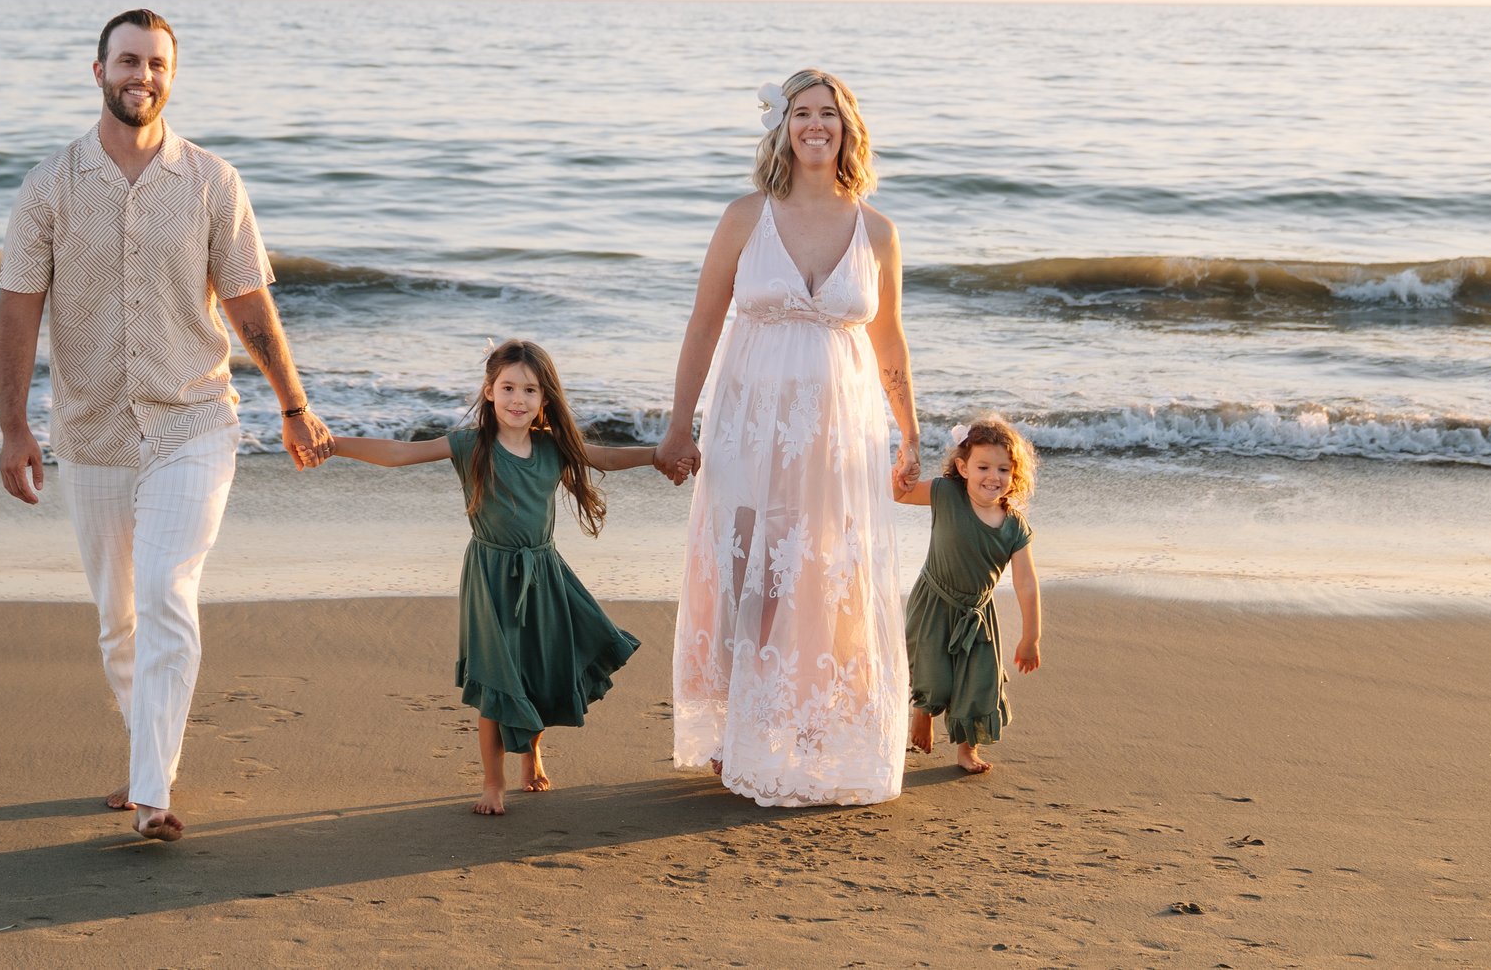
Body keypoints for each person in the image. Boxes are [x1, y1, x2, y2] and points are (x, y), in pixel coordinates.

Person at [0, 7, 333, 843]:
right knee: (119, 616)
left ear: (171, 76)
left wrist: (293, 403)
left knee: (167, 592)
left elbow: (251, 304)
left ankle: (153, 790)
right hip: (93, 430)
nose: (142, 75)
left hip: (194, 422)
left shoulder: (214, 182)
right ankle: (148, 749)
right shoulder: (49, 186)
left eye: (156, 63)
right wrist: (13, 426)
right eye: (128, 61)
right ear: (99, 69)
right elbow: (17, 315)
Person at [655, 69, 925, 807]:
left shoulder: (877, 231)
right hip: (750, 421)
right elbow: (705, 323)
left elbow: (890, 343)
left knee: (827, 571)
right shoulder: (747, 216)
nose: (815, 125)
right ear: (782, 126)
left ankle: (811, 725)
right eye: (802, 112)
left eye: (827, 114)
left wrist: (910, 434)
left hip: (840, 432)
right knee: (748, 569)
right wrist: (681, 422)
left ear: (848, 128)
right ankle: (741, 725)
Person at [327, 339, 662, 815]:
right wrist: (332, 444)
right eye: (507, 387)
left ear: (545, 398)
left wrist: (659, 453)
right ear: (488, 391)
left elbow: (602, 458)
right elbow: (400, 453)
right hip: (489, 577)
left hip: (543, 572)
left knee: (538, 668)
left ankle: (533, 756)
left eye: (529, 390)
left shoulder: (553, 448)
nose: (517, 399)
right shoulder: (470, 445)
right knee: (496, 677)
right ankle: (492, 783)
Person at [897, 417, 1042, 775]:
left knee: (978, 684)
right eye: (983, 467)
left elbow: (1026, 583)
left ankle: (966, 750)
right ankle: (924, 712)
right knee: (934, 675)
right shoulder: (946, 494)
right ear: (963, 467)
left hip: (977, 615)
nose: (993, 476)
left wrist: (1030, 637)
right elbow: (899, 493)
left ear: (1015, 474)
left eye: (1003, 469)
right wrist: (903, 466)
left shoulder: (1013, 526)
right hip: (934, 603)